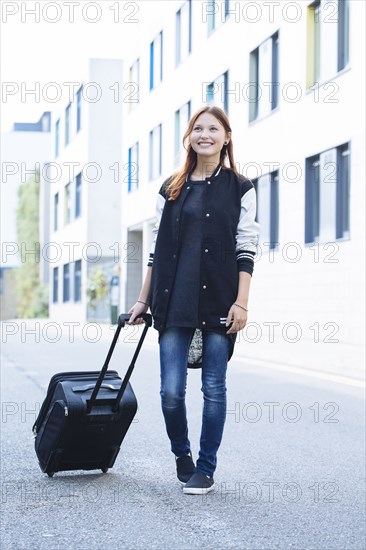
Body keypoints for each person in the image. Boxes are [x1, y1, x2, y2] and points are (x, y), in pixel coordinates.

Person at [128, 105, 259, 495]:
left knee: (214, 388)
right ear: (190, 137)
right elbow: (156, 249)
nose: (205, 134)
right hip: (173, 300)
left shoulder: (241, 188)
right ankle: (182, 456)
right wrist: (142, 301)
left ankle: (206, 467)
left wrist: (242, 302)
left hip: (220, 300)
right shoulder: (171, 187)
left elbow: (246, 247)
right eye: (198, 128)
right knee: (171, 392)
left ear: (226, 137)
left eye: (213, 129)